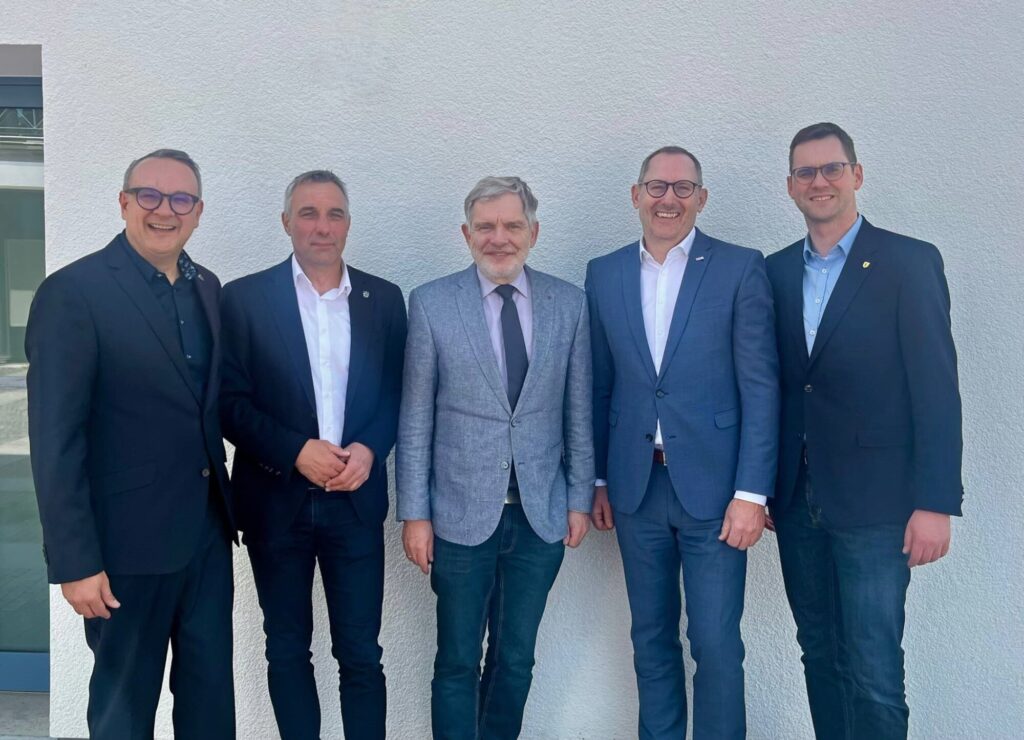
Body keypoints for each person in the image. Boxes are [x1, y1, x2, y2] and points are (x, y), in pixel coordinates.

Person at [25, 148, 236, 739]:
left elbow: (209, 407)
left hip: (206, 539)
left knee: (211, 707)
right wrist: (75, 561)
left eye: (181, 199)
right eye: (150, 195)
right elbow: (55, 439)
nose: (165, 210)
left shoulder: (207, 288)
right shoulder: (74, 292)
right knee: (123, 714)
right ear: (124, 203)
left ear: (198, 212)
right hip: (122, 552)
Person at [766, 122, 963, 740]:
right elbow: (777, 387)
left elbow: (936, 389)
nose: (818, 181)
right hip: (796, 500)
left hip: (879, 503)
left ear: (856, 175)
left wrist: (935, 502)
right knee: (819, 654)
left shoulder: (908, 262)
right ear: (790, 186)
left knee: (874, 668)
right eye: (805, 172)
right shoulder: (774, 273)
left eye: (831, 168)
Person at [586, 146, 779, 739]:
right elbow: (599, 383)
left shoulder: (739, 268)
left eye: (683, 187)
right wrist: (599, 478)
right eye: (657, 186)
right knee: (650, 638)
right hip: (636, 488)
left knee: (715, 643)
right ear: (636, 195)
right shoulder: (604, 273)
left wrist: (752, 493)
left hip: (717, 493)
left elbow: (760, 386)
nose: (668, 198)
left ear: (701, 198)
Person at [396, 176, 594, 739]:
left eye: (511, 225)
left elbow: (578, 410)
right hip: (458, 516)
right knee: (457, 660)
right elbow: (415, 419)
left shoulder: (569, 304)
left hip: (540, 516)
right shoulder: (432, 304)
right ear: (467, 234)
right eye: (485, 226)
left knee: (516, 660)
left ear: (534, 232)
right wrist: (415, 514)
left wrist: (579, 498)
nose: (498, 238)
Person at [220, 170, 406, 740]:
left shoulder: (383, 299)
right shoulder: (244, 299)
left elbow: (397, 392)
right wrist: (295, 450)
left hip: (355, 502)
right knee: (286, 649)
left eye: (334, 214)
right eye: (308, 213)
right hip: (275, 502)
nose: (321, 227)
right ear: (286, 222)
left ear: (348, 224)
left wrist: (371, 449)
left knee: (361, 652)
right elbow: (228, 402)